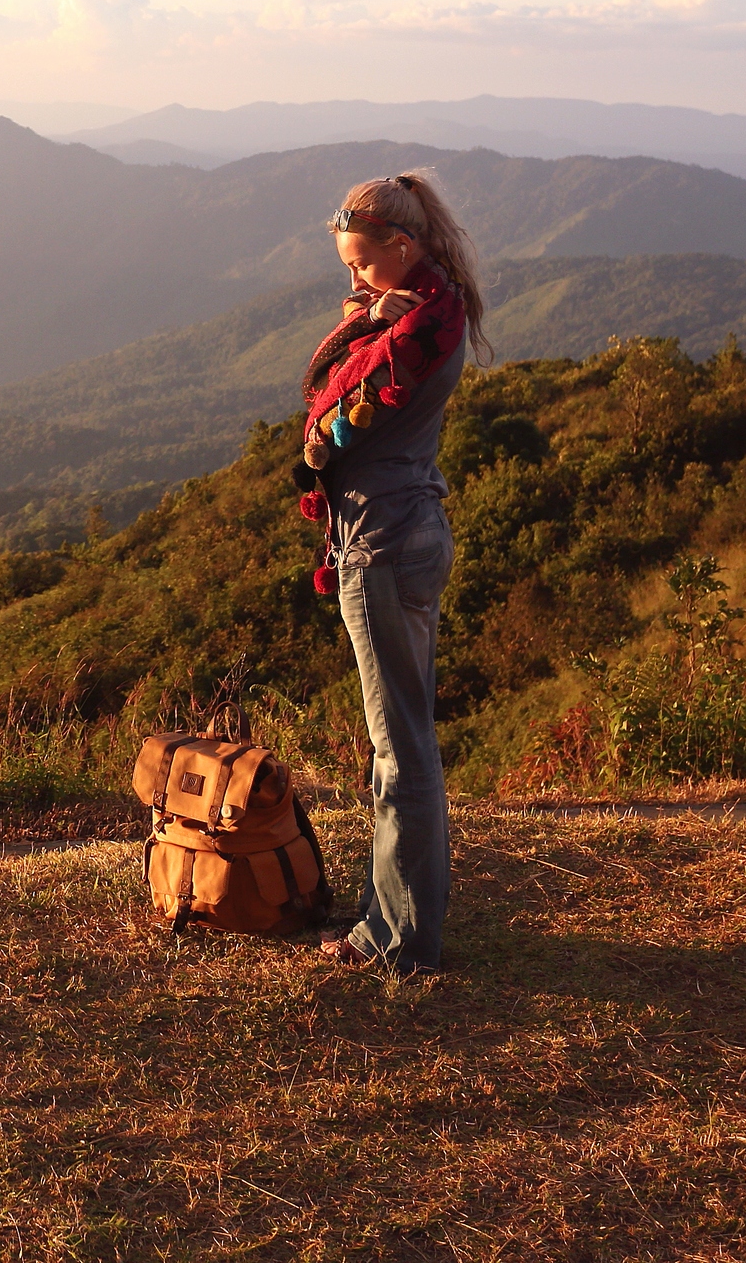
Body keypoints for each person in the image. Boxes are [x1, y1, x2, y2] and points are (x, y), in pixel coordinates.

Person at [292, 170, 486, 972]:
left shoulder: (407, 344)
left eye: (365, 266)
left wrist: (370, 324)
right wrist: (373, 311)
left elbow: (324, 427)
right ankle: (393, 909)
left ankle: (400, 938)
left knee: (399, 750)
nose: (355, 281)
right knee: (399, 743)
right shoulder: (425, 311)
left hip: (382, 543)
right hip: (410, 532)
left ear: (403, 247)